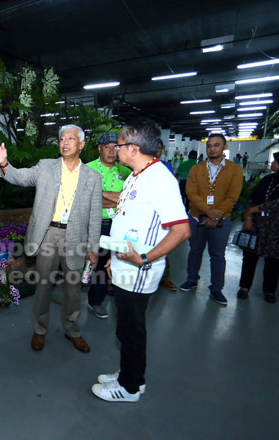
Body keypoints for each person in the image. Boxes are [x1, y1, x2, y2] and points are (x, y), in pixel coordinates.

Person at [91, 118, 190, 403]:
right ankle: (131, 374)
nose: (115, 148)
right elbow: (124, 210)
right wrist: (114, 258)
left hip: (139, 269)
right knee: (126, 327)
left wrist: (143, 257)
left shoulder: (160, 179)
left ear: (133, 149)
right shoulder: (138, 175)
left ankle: (129, 388)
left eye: (119, 144)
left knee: (131, 329)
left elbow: (182, 230)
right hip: (124, 263)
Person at [0, 125, 102, 353]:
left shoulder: (93, 177)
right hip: (48, 234)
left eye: (71, 138)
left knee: (73, 289)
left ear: (81, 144)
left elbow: (95, 214)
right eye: (62, 139)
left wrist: (93, 248)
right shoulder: (46, 167)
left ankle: (73, 330)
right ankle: (39, 330)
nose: (65, 142)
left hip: (76, 237)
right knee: (43, 286)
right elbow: (20, 177)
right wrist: (3, 163)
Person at [179, 134, 243, 305]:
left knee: (217, 255)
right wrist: (209, 211)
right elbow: (191, 193)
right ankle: (192, 280)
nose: (212, 148)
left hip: (222, 220)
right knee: (194, 251)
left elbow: (233, 196)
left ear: (224, 148)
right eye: (209, 145)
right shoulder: (196, 169)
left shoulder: (235, 169)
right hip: (196, 217)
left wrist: (217, 214)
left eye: (216, 145)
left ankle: (216, 289)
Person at [237, 150, 279, 303]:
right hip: (258, 225)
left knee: (273, 260)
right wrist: (248, 218)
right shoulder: (267, 180)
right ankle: (244, 287)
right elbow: (252, 199)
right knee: (250, 257)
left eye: (276, 161)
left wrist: (254, 209)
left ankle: (269, 291)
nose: (272, 164)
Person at [85, 132, 132, 318]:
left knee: (113, 262)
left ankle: (102, 297)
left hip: (118, 224)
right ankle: (89, 296)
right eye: (107, 147)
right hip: (95, 224)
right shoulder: (88, 170)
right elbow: (87, 201)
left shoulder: (126, 172)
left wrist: (101, 193)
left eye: (115, 147)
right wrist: (117, 199)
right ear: (99, 148)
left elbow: (128, 201)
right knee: (95, 261)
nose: (112, 151)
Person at [155, 139, 179, 291]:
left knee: (162, 245)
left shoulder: (166, 166)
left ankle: (165, 277)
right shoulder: (139, 165)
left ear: (163, 150)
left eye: (159, 148)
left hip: (161, 212)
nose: (156, 151)